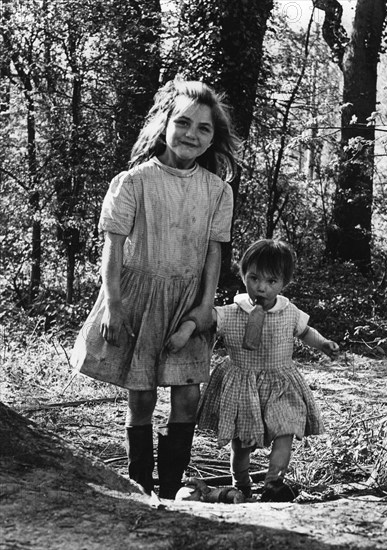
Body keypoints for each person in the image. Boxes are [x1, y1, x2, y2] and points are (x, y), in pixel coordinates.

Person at [71, 77, 239, 500]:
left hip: (187, 304)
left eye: (204, 129)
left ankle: (172, 489)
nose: (191, 135)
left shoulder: (218, 190)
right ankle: (141, 488)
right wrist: (112, 303)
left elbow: (213, 254)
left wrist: (204, 307)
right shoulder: (133, 182)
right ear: (164, 123)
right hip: (138, 300)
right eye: (183, 123)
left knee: (187, 395)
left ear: (213, 138)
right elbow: (112, 244)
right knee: (141, 397)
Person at [178, 239, 340, 502]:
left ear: (283, 284)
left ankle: (273, 483)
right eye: (254, 278)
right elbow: (206, 320)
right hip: (242, 383)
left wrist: (323, 344)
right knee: (242, 443)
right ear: (243, 275)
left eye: (271, 281)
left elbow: (306, 332)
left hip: (280, 383)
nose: (261, 287)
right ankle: (240, 484)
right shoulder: (231, 312)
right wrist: (187, 329)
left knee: (286, 430)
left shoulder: (289, 312)